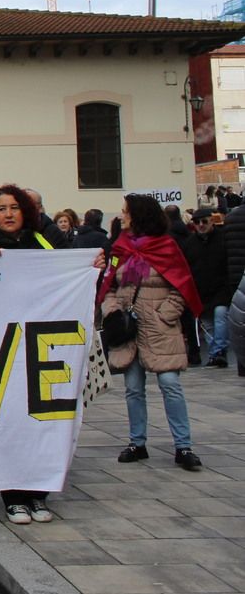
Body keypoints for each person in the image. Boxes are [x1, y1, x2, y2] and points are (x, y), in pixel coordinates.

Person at [0, 184, 55, 522]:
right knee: (8, 421)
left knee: (39, 421)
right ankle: (13, 495)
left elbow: (65, 272)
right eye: (2, 208)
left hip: (36, 347)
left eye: (15, 208)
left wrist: (92, 264)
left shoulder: (41, 242)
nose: (8, 214)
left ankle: (38, 493)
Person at [100, 193, 205, 472]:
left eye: (126, 211)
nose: (121, 216)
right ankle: (138, 442)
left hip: (160, 329)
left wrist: (164, 314)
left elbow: (181, 287)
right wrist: (111, 311)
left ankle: (183, 446)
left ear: (139, 215)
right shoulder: (119, 248)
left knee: (170, 384)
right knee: (133, 388)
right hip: (128, 329)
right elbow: (109, 286)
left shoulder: (166, 247)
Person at [184, 209, 231, 368]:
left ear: (212, 221)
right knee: (208, 324)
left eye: (204, 221)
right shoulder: (190, 242)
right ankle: (215, 353)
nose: (200, 225)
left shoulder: (223, 238)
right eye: (197, 222)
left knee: (220, 315)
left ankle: (219, 351)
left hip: (221, 287)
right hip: (201, 289)